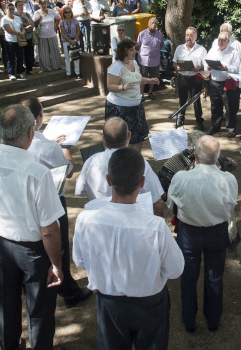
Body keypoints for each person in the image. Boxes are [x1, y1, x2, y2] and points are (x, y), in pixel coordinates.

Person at [72, 147, 184, 349]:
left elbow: (79, 261)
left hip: (109, 303)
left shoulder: (85, 220)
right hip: (150, 304)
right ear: (142, 183)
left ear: (108, 180)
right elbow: (175, 270)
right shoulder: (156, 227)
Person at [0, 105, 65, 350]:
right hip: (33, 250)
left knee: (6, 300)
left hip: (1, 241)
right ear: (30, 133)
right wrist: (56, 264)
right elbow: (49, 228)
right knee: (39, 309)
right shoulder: (37, 173)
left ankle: (9, 344)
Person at [19, 97, 92, 311]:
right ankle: (69, 290)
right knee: (57, 246)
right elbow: (68, 170)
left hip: (25, 198)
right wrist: (66, 147)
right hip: (51, 199)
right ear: (38, 119)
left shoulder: (19, 142)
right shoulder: (49, 147)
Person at [167, 135, 237, 332]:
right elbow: (230, 207)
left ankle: (189, 320)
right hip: (217, 232)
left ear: (195, 156)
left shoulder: (180, 177)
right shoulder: (229, 179)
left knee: (188, 277)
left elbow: (171, 204)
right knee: (215, 276)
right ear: (218, 156)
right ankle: (213, 319)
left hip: (189, 233)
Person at [75, 117, 165, 216]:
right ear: (129, 135)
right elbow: (155, 203)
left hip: (100, 221)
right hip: (132, 221)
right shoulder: (139, 163)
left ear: (103, 138)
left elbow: (80, 191)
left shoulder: (90, 162)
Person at [105, 39, 159, 152]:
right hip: (118, 108)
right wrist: (122, 87)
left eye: (134, 49)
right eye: (131, 50)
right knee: (118, 140)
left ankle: (135, 162)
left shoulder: (134, 63)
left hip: (136, 107)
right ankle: (117, 163)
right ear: (124, 52)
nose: (135, 52)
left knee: (137, 138)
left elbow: (137, 79)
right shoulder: (116, 67)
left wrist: (149, 80)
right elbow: (110, 86)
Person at [205, 31, 241, 137]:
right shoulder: (213, 50)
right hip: (214, 81)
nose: (220, 42)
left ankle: (231, 128)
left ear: (228, 41)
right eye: (219, 40)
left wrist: (227, 68)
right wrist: (207, 68)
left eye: (223, 40)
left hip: (227, 82)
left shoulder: (233, 52)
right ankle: (215, 126)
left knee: (230, 106)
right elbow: (205, 65)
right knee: (215, 106)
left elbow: (238, 68)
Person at [172, 27, 207, 130]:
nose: (188, 37)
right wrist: (177, 67)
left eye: (191, 35)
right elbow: (174, 62)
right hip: (182, 77)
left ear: (195, 37)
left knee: (196, 101)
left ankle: (199, 121)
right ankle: (180, 119)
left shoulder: (201, 49)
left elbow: (205, 65)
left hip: (195, 78)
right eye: (187, 35)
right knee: (182, 99)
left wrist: (198, 68)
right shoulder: (179, 48)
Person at [136, 18, 164, 99]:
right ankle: (141, 94)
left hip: (155, 60)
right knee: (143, 77)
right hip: (143, 60)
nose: (154, 25)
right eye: (152, 23)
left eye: (155, 23)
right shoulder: (142, 33)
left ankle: (150, 92)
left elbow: (161, 45)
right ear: (148, 24)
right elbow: (138, 44)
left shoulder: (160, 35)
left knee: (153, 77)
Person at [32, 0, 62, 71]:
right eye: (41, 3)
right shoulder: (37, 13)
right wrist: (38, 19)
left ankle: (56, 65)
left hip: (52, 34)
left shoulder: (51, 11)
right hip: (42, 35)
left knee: (54, 51)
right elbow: (33, 24)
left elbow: (58, 18)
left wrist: (55, 27)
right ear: (39, 4)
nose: (43, 5)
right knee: (44, 53)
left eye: (45, 3)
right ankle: (46, 67)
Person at [1, 2, 26, 81]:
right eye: (10, 9)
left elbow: (22, 27)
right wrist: (18, 33)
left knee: (20, 57)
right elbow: (8, 29)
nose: (11, 10)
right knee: (11, 58)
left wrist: (22, 32)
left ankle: (19, 72)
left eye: (13, 9)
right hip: (10, 41)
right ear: (6, 9)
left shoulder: (17, 18)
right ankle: (11, 73)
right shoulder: (4, 19)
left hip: (19, 41)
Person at [59, 7, 81, 80]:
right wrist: (69, 40)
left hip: (74, 40)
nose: (68, 14)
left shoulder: (75, 21)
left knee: (76, 57)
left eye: (69, 12)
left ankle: (77, 72)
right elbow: (62, 32)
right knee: (67, 57)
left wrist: (75, 40)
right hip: (66, 41)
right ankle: (68, 73)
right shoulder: (62, 22)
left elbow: (78, 31)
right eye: (66, 12)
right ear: (64, 14)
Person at [14, 0, 36, 76]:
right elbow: (16, 26)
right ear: (16, 7)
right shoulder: (14, 15)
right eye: (19, 6)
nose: (21, 7)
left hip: (28, 36)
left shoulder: (27, 14)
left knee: (29, 53)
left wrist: (26, 18)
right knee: (20, 55)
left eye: (22, 5)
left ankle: (29, 69)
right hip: (20, 37)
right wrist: (25, 28)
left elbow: (32, 25)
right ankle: (21, 70)